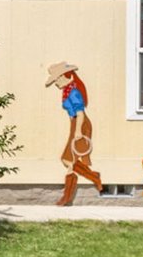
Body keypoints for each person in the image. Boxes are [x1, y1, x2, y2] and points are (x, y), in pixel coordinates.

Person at [45, 62, 104, 206]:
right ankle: (94, 177)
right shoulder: (68, 91)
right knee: (67, 160)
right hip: (75, 124)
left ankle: (66, 198)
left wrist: (78, 131)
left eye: (57, 79)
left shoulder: (74, 92)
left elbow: (80, 113)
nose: (56, 83)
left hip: (80, 124)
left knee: (68, 159)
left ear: (66, 76)